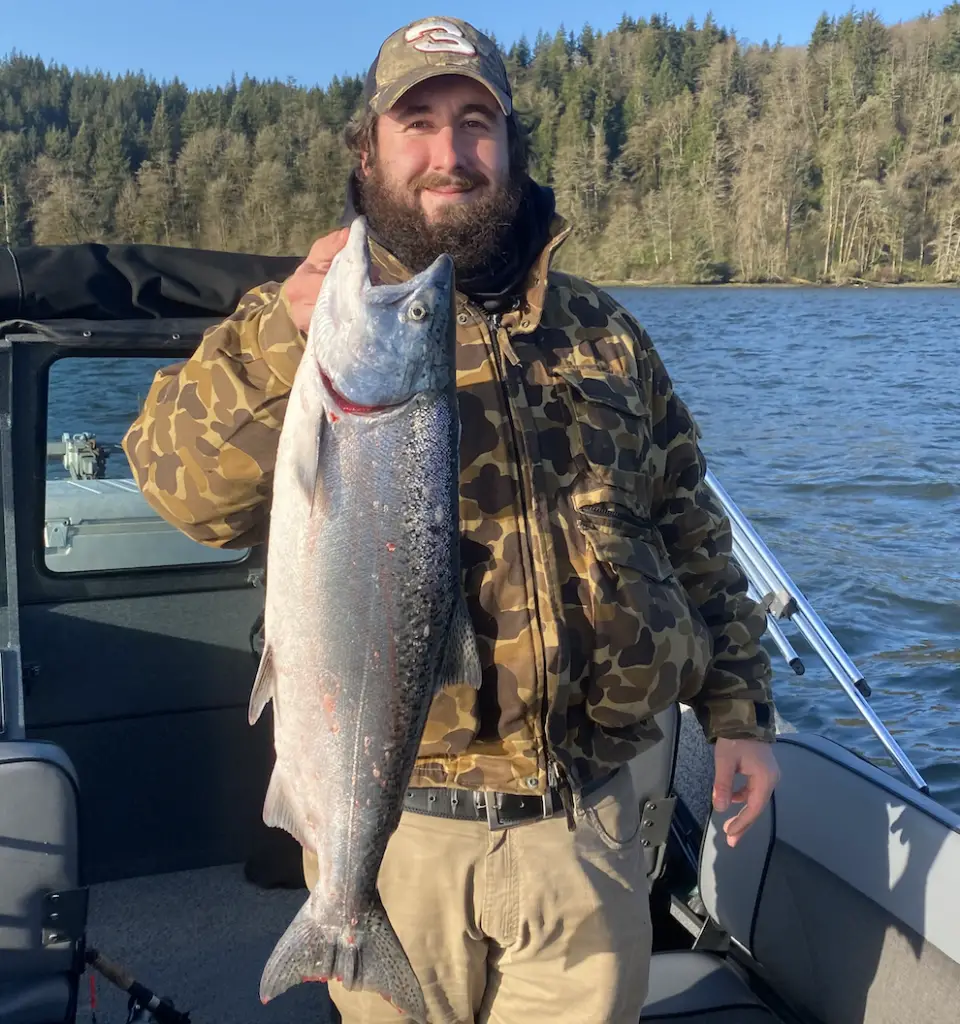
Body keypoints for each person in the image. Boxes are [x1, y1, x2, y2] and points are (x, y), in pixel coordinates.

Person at [122, 15, 780, 1023]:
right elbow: (181, 488)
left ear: (510, 146)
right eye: (417, 121)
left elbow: (692, 528)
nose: (449, 152)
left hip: (590, 832)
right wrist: (275, 340)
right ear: (369, 148)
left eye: (477, 122)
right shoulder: (303, 322)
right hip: (395, 832)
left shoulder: (604, 333)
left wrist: (739, 713)